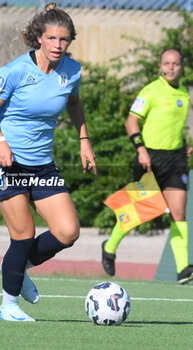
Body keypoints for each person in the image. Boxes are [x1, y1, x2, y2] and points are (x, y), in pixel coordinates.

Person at [0, 2, 96, 322]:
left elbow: (74, 103)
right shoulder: (14, 71)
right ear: (40, 38)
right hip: (3, 163)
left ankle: (19, 268)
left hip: (42, 165)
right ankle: (8, 306)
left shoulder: (72, 70)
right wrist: (0, 143)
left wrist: (84, 141)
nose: (58, 45)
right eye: (52, 39)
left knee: (68, 230)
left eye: (64, 40)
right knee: (23, 235)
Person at [102, 48, 193, 284]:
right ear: (160, 66)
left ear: (182, 66)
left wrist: (183, 146)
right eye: (166, 63)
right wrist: (141, 150)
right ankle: (109, 247)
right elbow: (131, 121)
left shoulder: (183, 92)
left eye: (175, 63)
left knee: (179, 213)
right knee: (138, 214)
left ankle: (183, 268)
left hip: (175, 160)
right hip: (149, 159)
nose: (171, 67)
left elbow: (170, 127)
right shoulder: (150, 91)